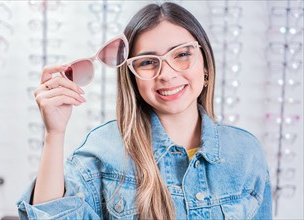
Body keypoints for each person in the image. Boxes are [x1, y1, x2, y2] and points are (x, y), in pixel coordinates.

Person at [17, 2, 272, 219]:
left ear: (205, 65)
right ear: (133, 77)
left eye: (182, 54)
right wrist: (55, 134)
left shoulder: (245, 153)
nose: (167, 74)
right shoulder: (102, 151)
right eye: (148, 62)